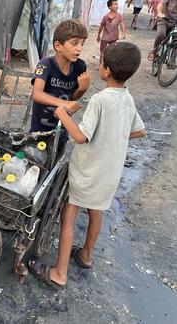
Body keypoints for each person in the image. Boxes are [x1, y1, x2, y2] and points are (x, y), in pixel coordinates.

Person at [27, 42, 146, 290]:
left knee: (69, 213)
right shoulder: (127, 98)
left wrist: (61, 114)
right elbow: (139, 131)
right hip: (110, 171)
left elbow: (80, 136)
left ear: (106, 70)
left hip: (89, 170)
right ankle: (86, 255)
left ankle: (59, 273)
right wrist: (112, 137)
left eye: (100, 63)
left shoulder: (100, 100)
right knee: (96, 211)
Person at [30, 19, 90, 137]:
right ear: (58, 45)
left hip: (62, 128)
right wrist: (64, 103)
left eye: (82, 44)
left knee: (58, 152)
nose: (79, 48)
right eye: (74, 43)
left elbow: (71, 97)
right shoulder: (45, 64)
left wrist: (81, 90)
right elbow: (36, 94)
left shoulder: (80, 66)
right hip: (39, 129)